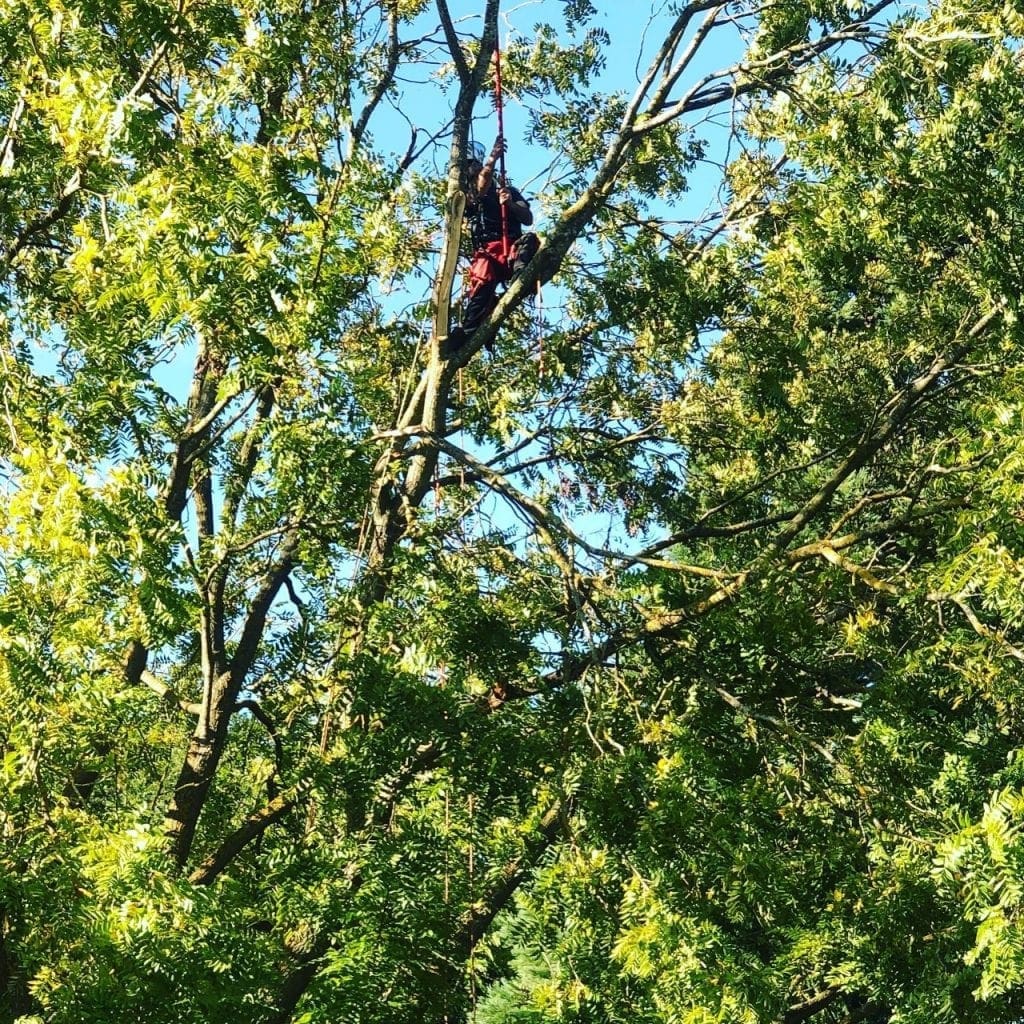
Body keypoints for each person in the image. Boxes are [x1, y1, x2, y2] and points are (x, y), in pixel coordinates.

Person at [446, 136, 539, 350]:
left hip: (511, 249)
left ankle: (520, 279)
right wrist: (492, 158)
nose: (473, 169)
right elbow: (482, 183)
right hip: (487, 252)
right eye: (469, 166)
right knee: (481, 285)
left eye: (474, 165)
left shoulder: (507, 191)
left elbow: (527, 218)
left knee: (530, 240)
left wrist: (510, 204)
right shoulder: (469, 196)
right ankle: (468, 332)